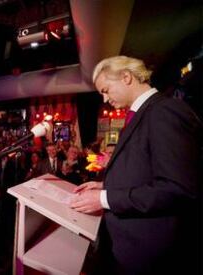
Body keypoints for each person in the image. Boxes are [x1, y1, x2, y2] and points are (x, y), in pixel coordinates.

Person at [70, 56, 202, 274]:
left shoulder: (164, 111)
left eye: (106, 89)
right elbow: (142, 171)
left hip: (152, 255)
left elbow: (177, 189)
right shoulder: (142, 113)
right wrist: (105, 186)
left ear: (126, 77)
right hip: (130, 248)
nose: (104, 98)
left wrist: (104, 199)